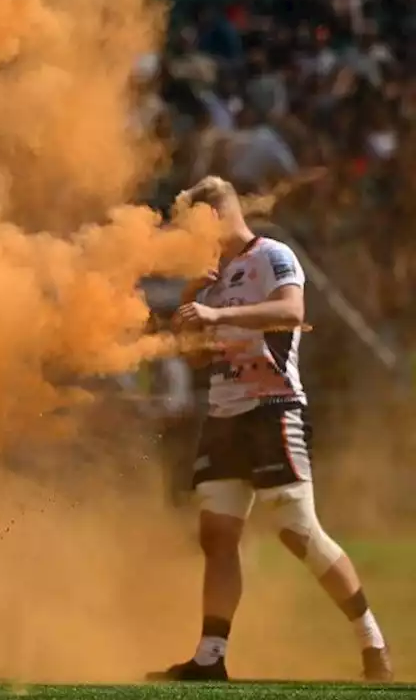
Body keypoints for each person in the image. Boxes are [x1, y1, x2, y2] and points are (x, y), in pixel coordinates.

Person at [152, 176, 393, 683]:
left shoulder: (273, 255)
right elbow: (196, 350)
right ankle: (210, 656)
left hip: (272, 406)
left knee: (296, 529)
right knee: (217, 534)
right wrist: (191, 319)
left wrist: (217, 310)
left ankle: (372, 641)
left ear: (214, 216)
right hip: (223, 413)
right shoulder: (211, 276)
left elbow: (292, 312)